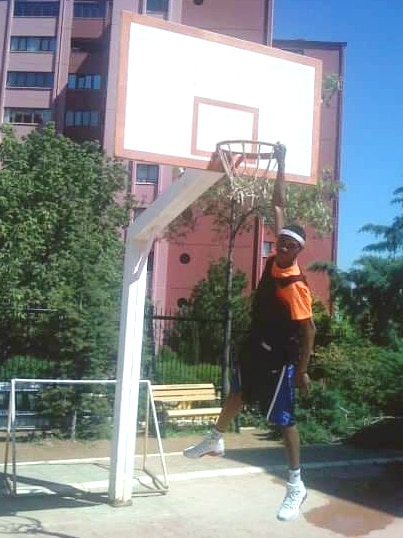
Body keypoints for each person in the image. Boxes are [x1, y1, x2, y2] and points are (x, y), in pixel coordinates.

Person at [183, 143, 316, 522]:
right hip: (256, 345)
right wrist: (282, 163)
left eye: (292, 245)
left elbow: (309, 332)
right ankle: (216, 438)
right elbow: (278, 203)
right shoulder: (275, 260)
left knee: (284, 421)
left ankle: (295, 483)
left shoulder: (295, 286)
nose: (285, 246)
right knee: (237, 393)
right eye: (283, 241)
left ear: (299, 250)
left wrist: (304, 370)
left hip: (280, 358)